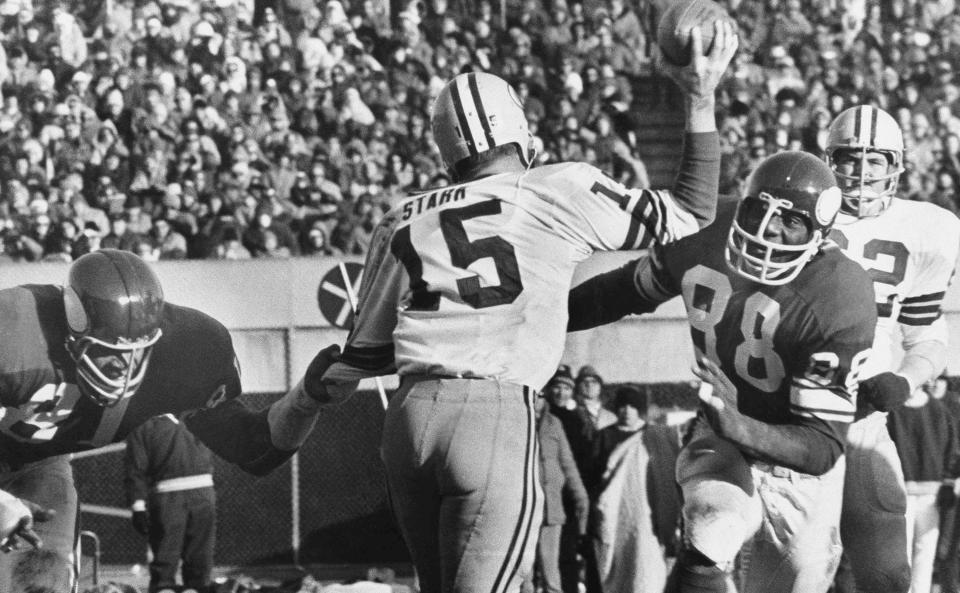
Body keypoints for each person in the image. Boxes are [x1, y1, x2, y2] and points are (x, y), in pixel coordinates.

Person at [317, 21, 738, 593]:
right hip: (491, 411)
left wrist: (291, 416)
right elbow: (691, 211)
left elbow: (366, 353)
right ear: (519, 131)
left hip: (407, 420)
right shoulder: (553, 186)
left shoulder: (404, 214)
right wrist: (700, 95)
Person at [568, 151, 877, 592]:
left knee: (797, 580)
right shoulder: (706, 227)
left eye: (791, 221)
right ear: (744, 200)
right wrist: (542, 315)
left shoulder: (840, 293)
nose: (769, 228)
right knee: (710, 530)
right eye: (760, 209)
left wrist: (742, 426)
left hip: (796, 462)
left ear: (821, 235)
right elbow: (624, 291)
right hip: (720, 435)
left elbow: (822, 445)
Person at [0, 249, 339, 590]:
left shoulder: (186, 352)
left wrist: (306, 401)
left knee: (41, 581)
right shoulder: (17, 329)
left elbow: (255, 449)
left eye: (138, 350)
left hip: (36, 463)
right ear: (72, 326)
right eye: (109, 352)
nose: (124, 369)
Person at [824, 105, 960, 593]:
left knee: (889, 574)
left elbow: (926, 335)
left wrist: (902, 379)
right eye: (849, 158)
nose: (861, 172)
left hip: (864, 421)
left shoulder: (929, 227)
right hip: (790, 415)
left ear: (895, 165)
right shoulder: (796, 211)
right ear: (827, 160)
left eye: (874, 160)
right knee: (796, 567)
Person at [588, 386, 681, 593]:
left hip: (647, 513)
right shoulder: (604, 436)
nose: (627, 411)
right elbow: (593, 475)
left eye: (632, 406)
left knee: (644, 567)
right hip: (614, 514)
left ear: (639, 409)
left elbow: (666, 474)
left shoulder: (654, 436)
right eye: (622, 406)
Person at [124, 414, 217, 593]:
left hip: (203, 492)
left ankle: (196, 588)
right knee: (165, 557)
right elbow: (135, 467)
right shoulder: (144, 425)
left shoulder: (198, 414)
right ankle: (164, 588)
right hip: (167, 495)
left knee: (200, 558)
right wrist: (138, 505)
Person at [886, 381, 960, 593]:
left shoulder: (935, 410)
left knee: (914, 554)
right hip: (908, 494)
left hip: (921, 495)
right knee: (916, 554)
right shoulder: (935, 410)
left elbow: (951, 449)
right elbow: (953, 451)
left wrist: (947, 482)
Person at [522, 392, 588, 593]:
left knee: (551, 574)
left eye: (540, 395)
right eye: (532, 394)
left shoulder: (553, 423)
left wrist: (581, 497)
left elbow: (567, 463)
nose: (536, 400)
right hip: (524, 510)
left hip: (551, 509)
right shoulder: (518, 420)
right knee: (524, 575)